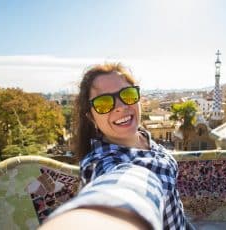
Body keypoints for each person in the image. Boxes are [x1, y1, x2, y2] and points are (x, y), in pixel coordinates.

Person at [40, 63, 191, 229]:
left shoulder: (143, 137)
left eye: (128, 94)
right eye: (103, 103)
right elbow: (121, 185)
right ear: (91, 117)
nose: (121, 107)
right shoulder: (103, 162)